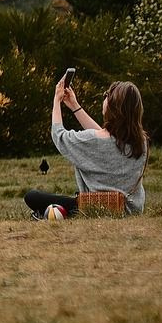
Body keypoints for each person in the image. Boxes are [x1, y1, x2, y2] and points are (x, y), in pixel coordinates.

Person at [23, 74, 147, 218]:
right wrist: (75, 106)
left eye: (107, 95)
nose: (104, 98)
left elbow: (59, 135)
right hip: (132, 210)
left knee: (32, 196)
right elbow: (105, 138)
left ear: (113, 105)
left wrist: (56, 100)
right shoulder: (141, 142)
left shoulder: (92, 140)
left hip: (95, 208)